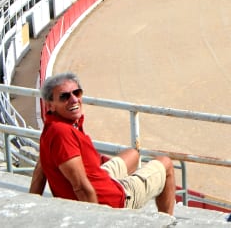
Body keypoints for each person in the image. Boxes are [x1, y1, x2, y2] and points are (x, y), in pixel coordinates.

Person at [28, 72, 176, 215]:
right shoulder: (62, 133)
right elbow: (81, 188)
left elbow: (41, 170)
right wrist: (99, 220)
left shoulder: (52, 127)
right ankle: (167, 221)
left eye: (76, 93)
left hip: (100, 180)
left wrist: (32, 207)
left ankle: (120, 184)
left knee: (133, 154)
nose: (73, 100)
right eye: (64, 97)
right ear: (50, 105)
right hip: (113, 201)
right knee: (165, 163)